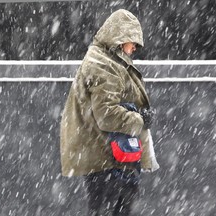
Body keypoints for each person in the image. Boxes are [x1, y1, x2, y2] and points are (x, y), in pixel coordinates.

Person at [60, 9, 159, 215]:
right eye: (132, 41)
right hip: (108, 158)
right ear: (120, 38)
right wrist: (139, 119)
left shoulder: (107, 60)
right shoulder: (104, 64)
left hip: (109, 157)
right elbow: (107, 114)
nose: (134, 48)